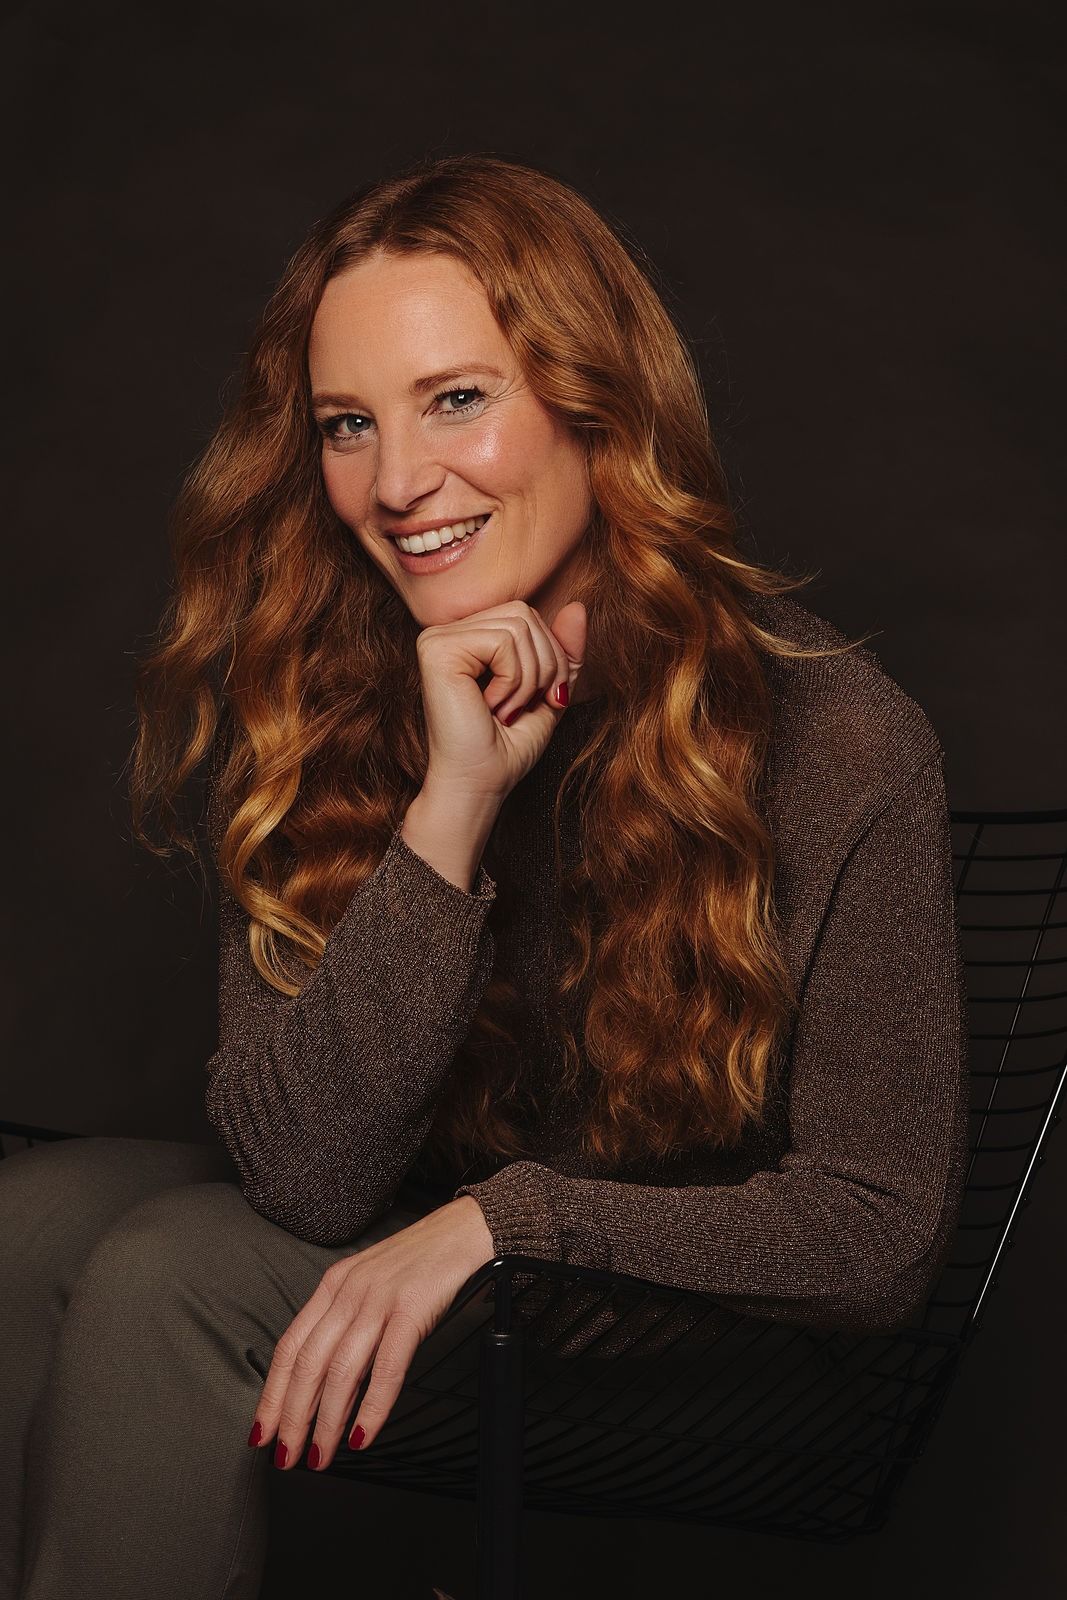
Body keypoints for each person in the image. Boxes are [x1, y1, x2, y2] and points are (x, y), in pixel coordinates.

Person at [0, 153, 970, 1599]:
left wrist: (509, 1223)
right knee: (32, 1221)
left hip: (653, 1312)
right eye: (347, 425)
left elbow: (875, 1232)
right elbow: (307, 1175)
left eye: (456, 399)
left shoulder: (835, 736)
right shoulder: (325, 692)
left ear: (598, 405)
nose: (397, 485)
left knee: (171, 1275)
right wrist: (449, 807)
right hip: (410, 1229)